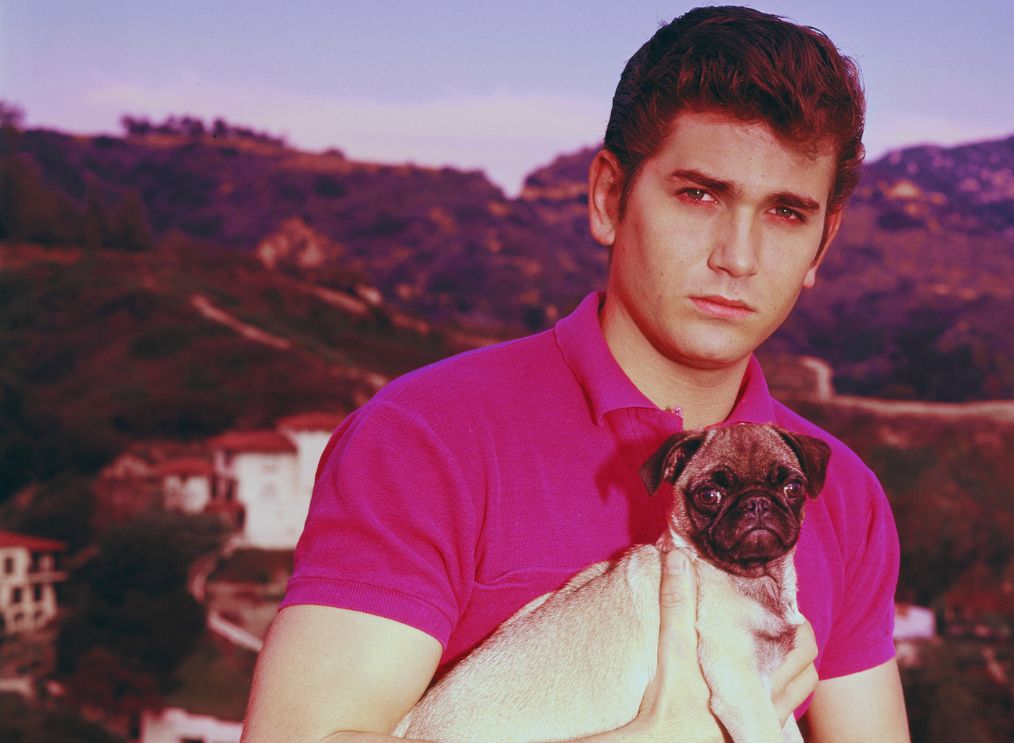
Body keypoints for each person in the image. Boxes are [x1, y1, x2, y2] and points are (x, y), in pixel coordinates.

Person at [243, 6, 908, 742]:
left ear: (822, 244)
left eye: (785, 212)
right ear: (607, 197)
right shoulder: (427, 437)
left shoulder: (845, 495)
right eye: (699, 194)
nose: (737, 256)